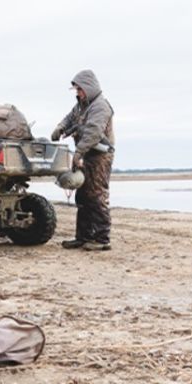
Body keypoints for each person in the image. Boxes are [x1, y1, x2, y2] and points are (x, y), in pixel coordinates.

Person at [51, 70, 115, 251]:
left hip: (99, 156)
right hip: (85, 154)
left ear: (88, 87)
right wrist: (60, 128)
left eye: (79, 89)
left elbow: (93, 132)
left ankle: (102, 239)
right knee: (83, 196)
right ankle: (83, 236)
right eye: (76, 90)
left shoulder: (100, 106)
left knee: (97, 195)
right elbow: (70, 118)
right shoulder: (81, 105)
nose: (77, 93)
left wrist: (78, 154)